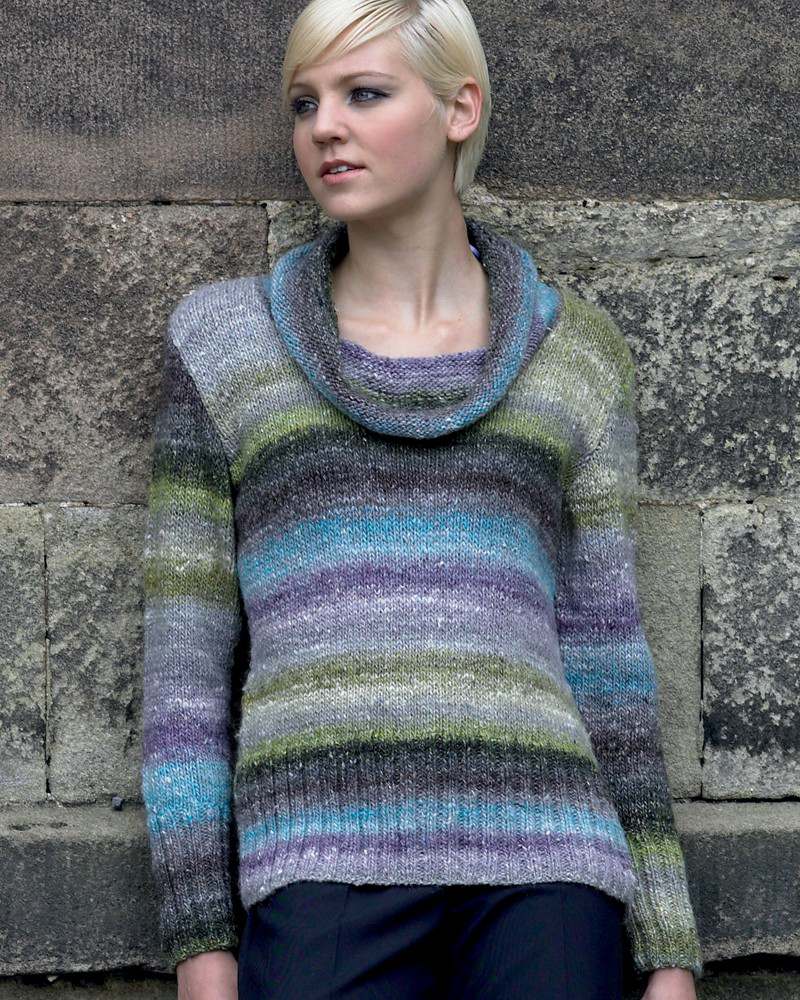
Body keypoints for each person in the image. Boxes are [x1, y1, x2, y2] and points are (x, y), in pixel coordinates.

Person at [141, 1, 704, 998]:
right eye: (304, 102)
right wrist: (201, 945)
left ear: (458, 109)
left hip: (547, 857)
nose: (324, 126)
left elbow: (608, 656)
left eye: (363, 94)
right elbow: (185, 667)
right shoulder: (224, 344)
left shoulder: (574, 352)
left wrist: (667, 948)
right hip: (318, 857)